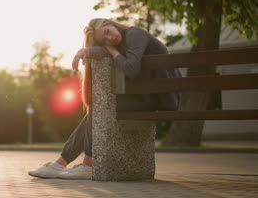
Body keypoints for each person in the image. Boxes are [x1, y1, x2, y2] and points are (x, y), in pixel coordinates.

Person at [28, 18, 182, 180]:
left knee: (99, 106)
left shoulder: (135, 34)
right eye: (104, 40)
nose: (110, 39)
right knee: (98, 106)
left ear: (112, 24)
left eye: (108, 32)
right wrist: (85, 51)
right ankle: (62, 164)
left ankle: (81, 165)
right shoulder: (123, 42)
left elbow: (131, 69)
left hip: (162, 99)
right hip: (150, 98)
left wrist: (113, 51)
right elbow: (104, 52)